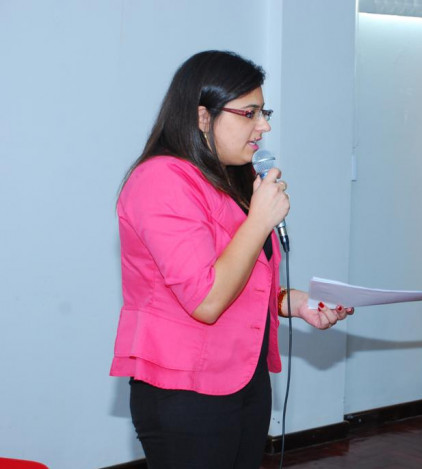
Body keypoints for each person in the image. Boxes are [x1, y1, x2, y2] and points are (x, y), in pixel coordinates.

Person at [109, 50, 354, 469]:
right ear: (203, 117)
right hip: (186, 389)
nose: (264, 126)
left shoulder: (230, 178)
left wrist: (296, 303)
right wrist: (259, 221)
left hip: (245, 379)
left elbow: (241, 281)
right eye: (249, 113)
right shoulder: (160, 179)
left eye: (264, 112)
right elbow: (206, 300)